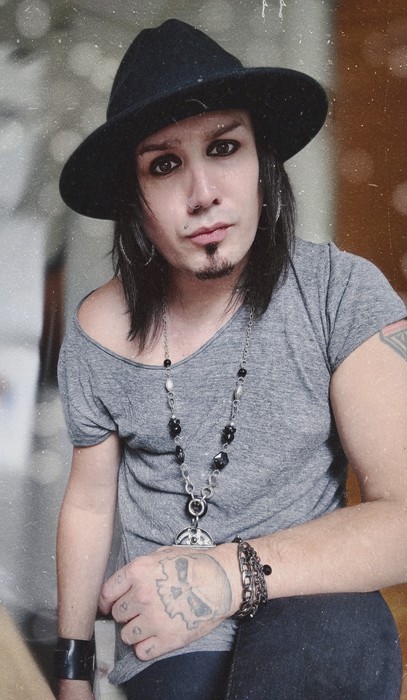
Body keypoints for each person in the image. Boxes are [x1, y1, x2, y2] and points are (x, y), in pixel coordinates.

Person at [55, 18, 407, 700]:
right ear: (134, 199)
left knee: (336, 627)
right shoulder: (98, 331)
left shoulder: (340, 291)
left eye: (224, 148)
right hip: (167, 645)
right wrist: (72, 671)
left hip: (309, 613)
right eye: (164, 165)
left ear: (262, 162)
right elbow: (89, 505)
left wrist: (224, 574)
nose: (203, 194)